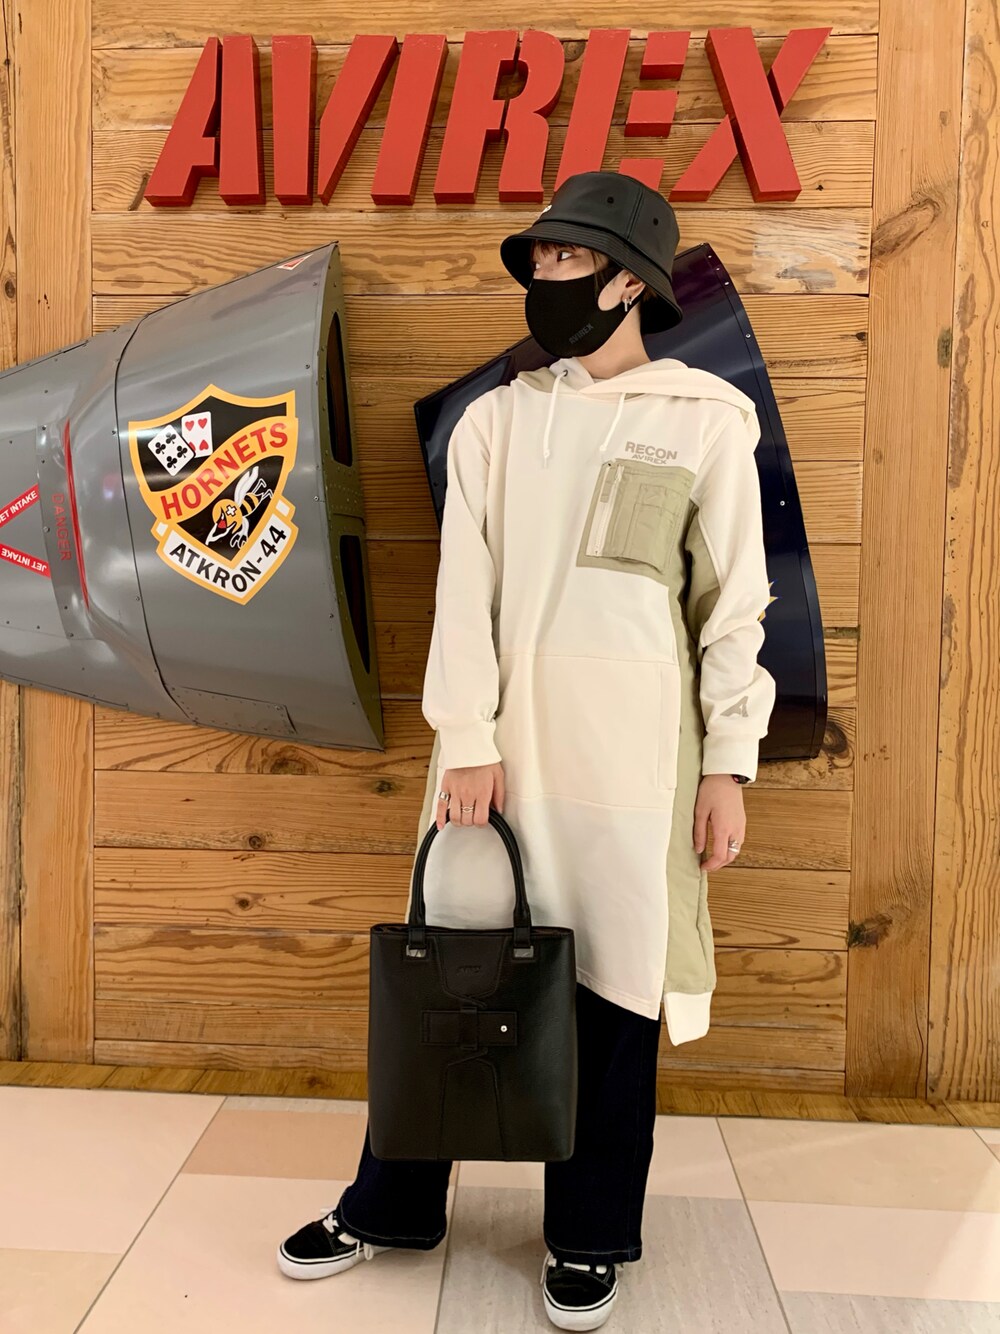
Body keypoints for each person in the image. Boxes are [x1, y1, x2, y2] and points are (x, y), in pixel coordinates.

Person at [276, 171, 776, 1331]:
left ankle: (589, 1230)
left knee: (613, 986)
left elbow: (732, 608)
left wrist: (727, 764)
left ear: (627, 281)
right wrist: (465, 734)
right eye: (539, 259)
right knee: (448, 974)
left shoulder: (705, 420)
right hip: (496, 757)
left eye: (564, 260)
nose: (543, 279)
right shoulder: (496, 422)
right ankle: (393, 1203)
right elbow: (465, 590)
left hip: (639, 762)